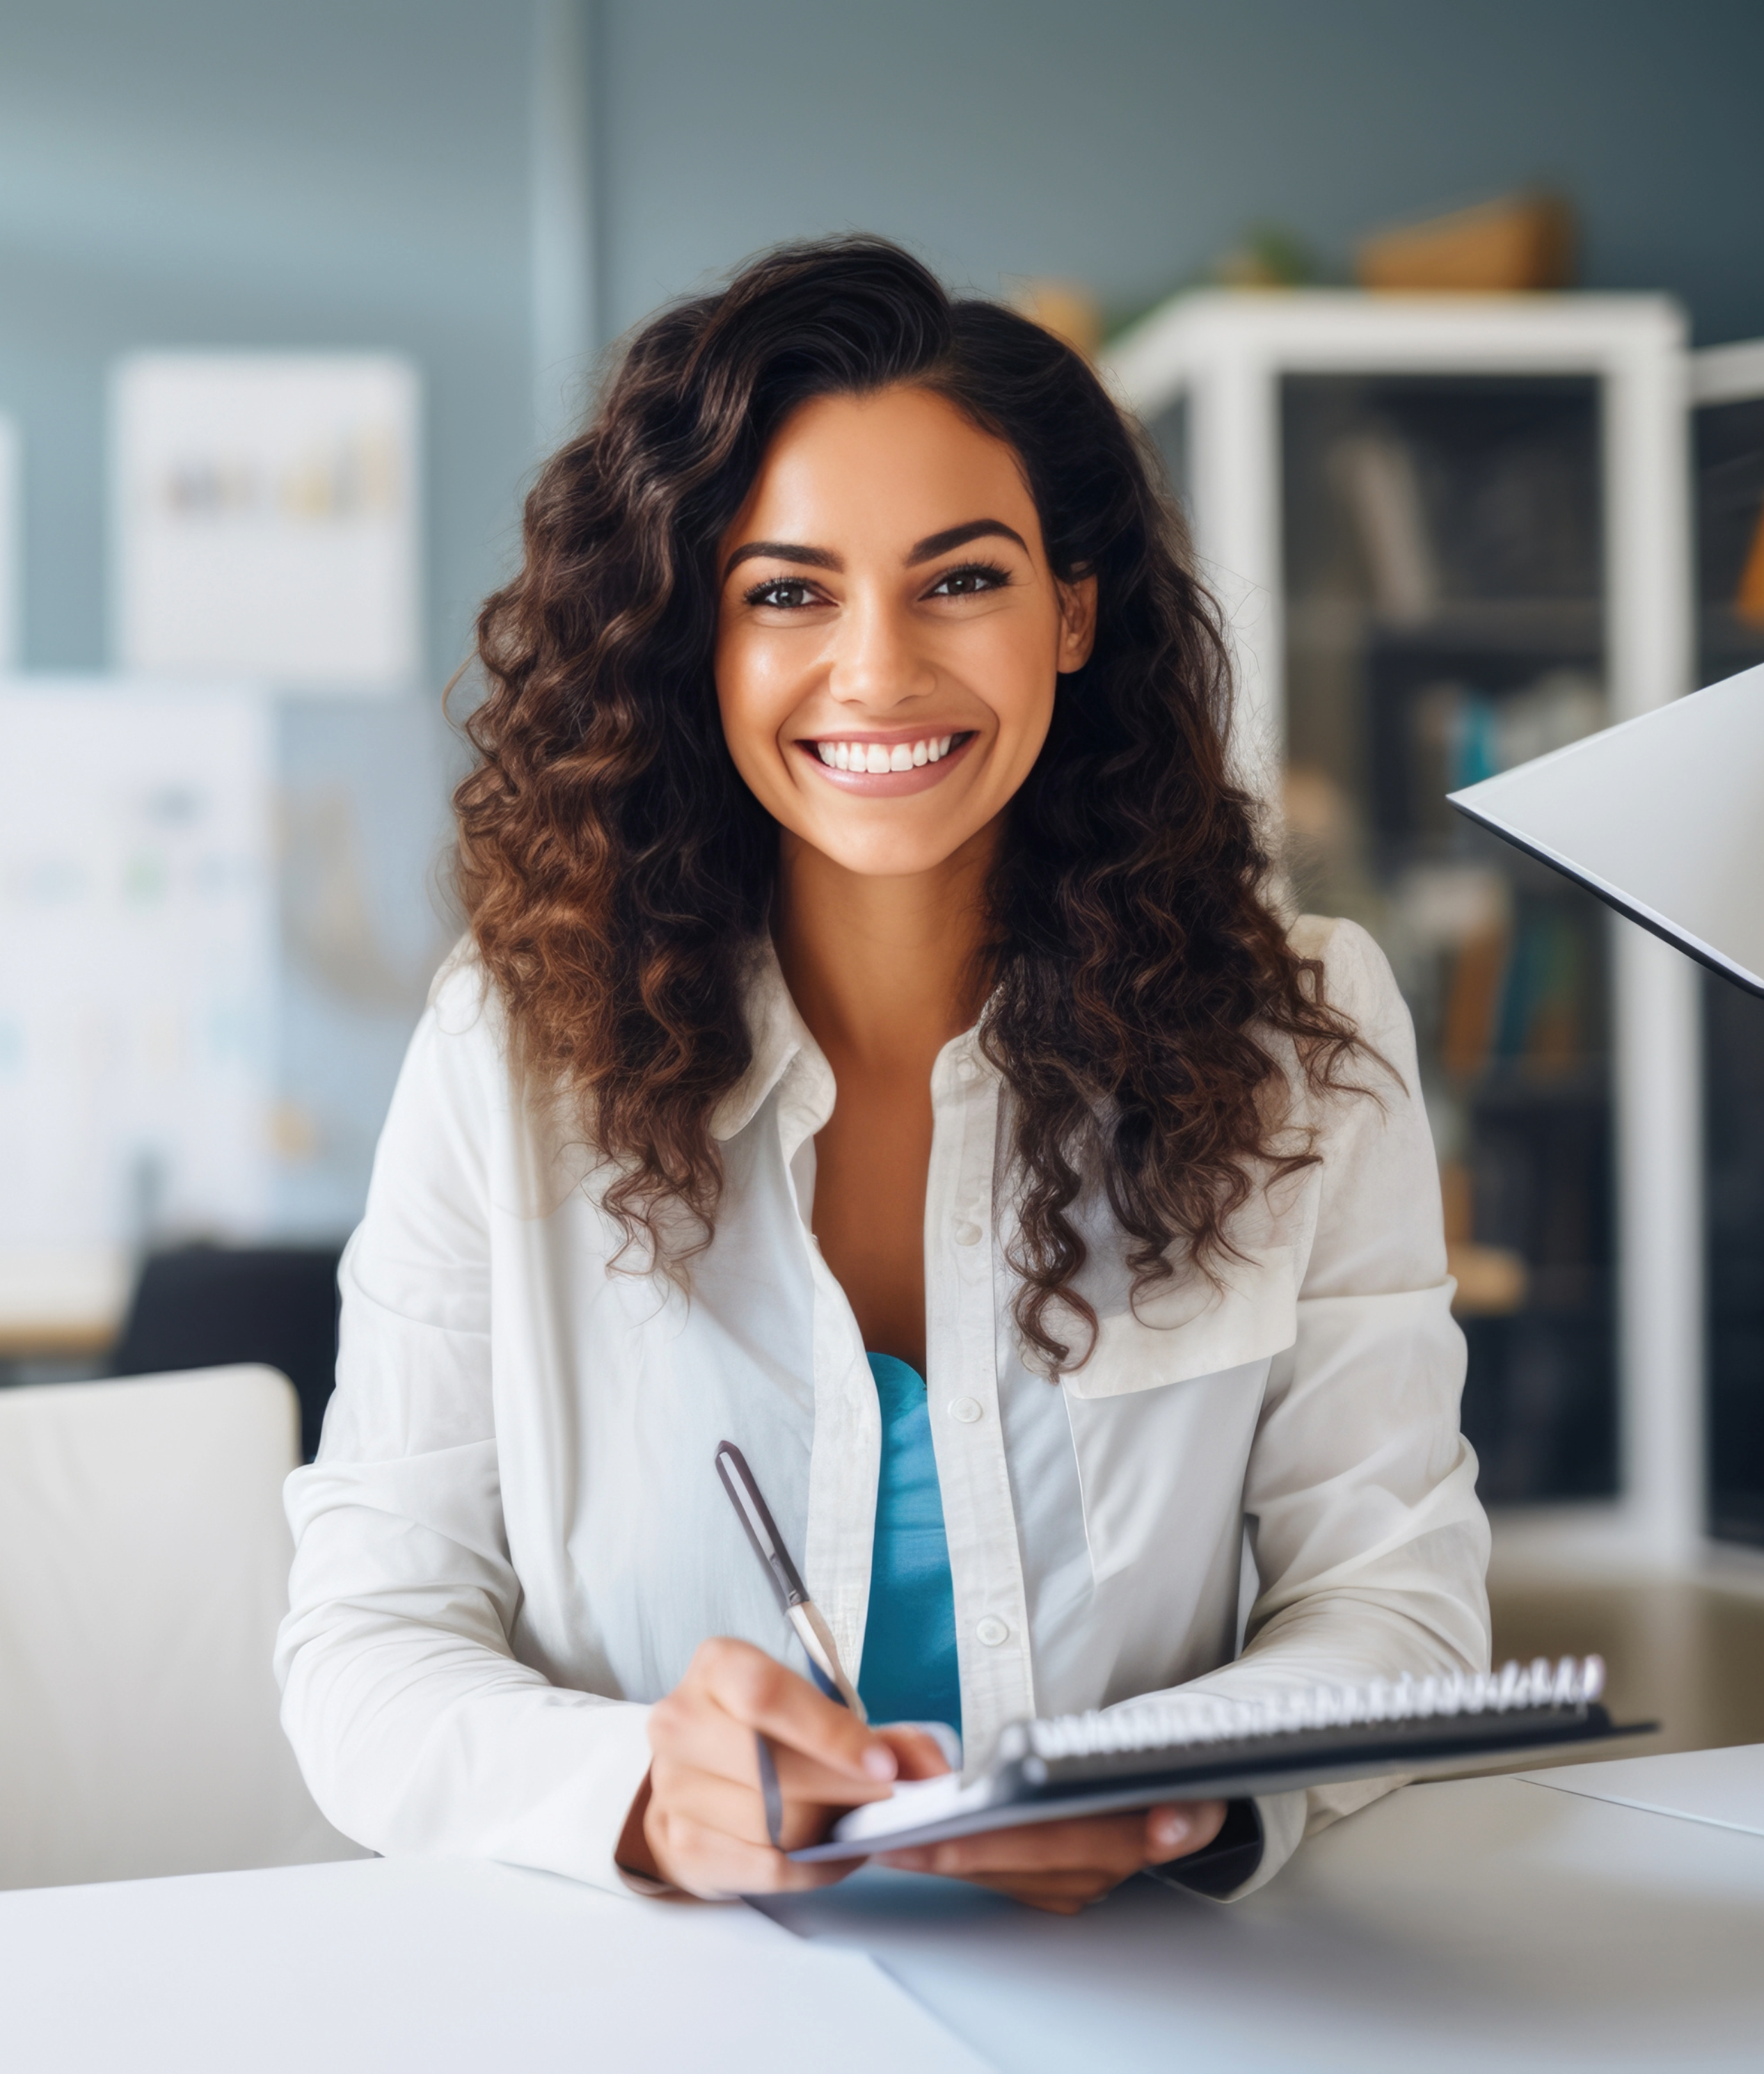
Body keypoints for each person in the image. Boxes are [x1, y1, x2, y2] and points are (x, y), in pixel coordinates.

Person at [275, 236, 1487, 1911]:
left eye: (961, 579)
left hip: (1151, 1996)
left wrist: (1158, 1798)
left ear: (1070, 609)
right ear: (690, 637)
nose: (877, 669)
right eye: (787, 591)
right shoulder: (512, 1054)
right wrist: (640, 1789)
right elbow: (363, 1646)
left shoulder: (1303, 1035)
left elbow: (1398, 1599)